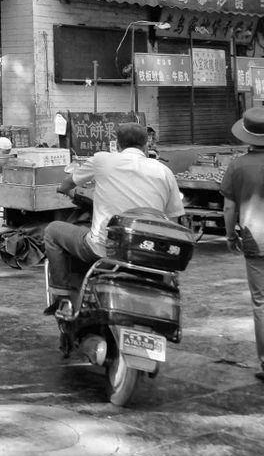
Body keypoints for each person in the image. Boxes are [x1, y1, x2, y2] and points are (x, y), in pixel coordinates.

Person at [44, 122, 183, 319]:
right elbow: (174, 220)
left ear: (117, 145)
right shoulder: (164, 172)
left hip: (103, 249)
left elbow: (67, 183)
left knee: (52, 231)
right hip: (148, 253)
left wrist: (65, 190)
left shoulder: (102, 160)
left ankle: (62, 297)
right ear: (146, 146)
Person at [223, 107, 264, 382]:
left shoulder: (237, 165)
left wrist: (230, 236)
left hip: (255, 239)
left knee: (261, 302)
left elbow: (228, 207)